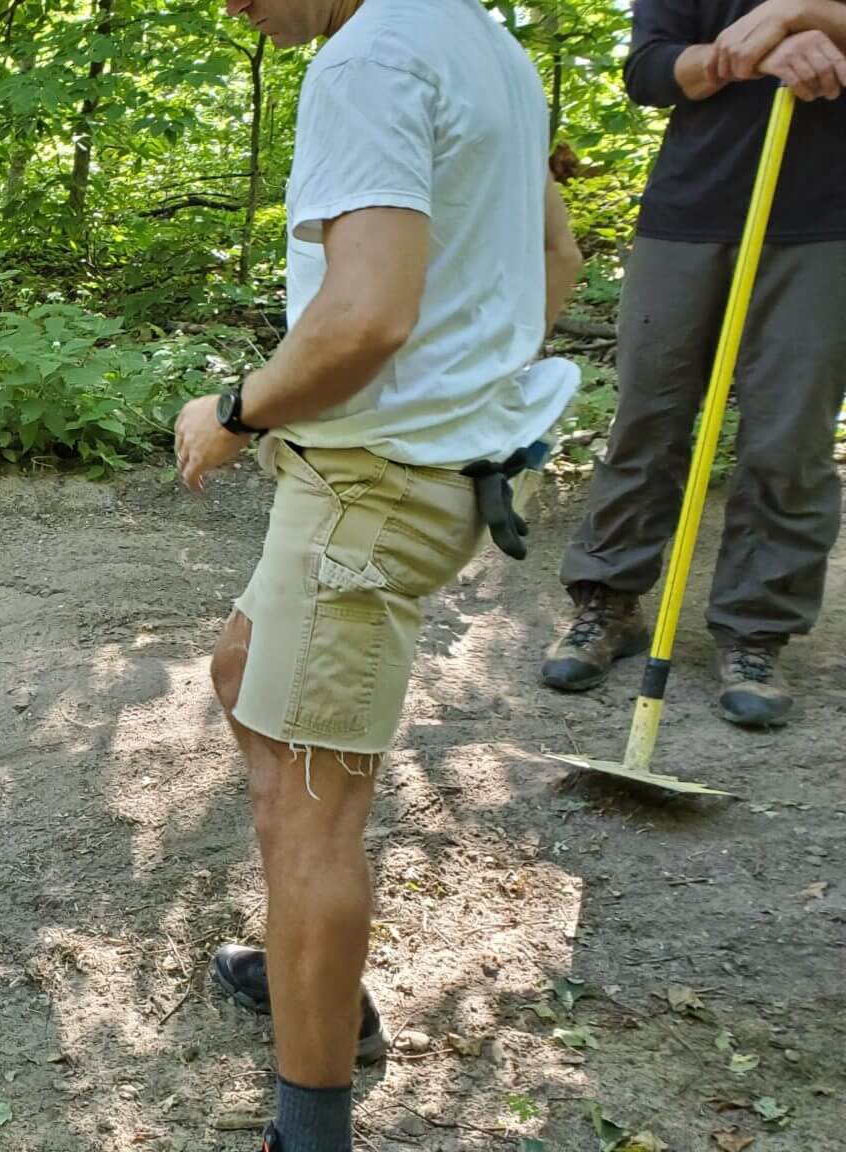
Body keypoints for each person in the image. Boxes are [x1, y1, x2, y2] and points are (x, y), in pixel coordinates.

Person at [172, 0, 581, 1146]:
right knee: (240, 669)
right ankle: (315, 977)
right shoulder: (480, 43)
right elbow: (554, 255)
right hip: (419, 477)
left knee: (313, 816)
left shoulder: (366, 59)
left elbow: (362, 316)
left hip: (367, 491)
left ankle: (309, 1125)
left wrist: (233, 413)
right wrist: (473, 386)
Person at [541, 0, 846, 730]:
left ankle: (754, 633)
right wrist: (744, 53)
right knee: (649, 415)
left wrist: (803, 16)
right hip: (689, 212)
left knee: (790, 433)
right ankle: (607, 602)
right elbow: (648, 69)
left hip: (825, 222)